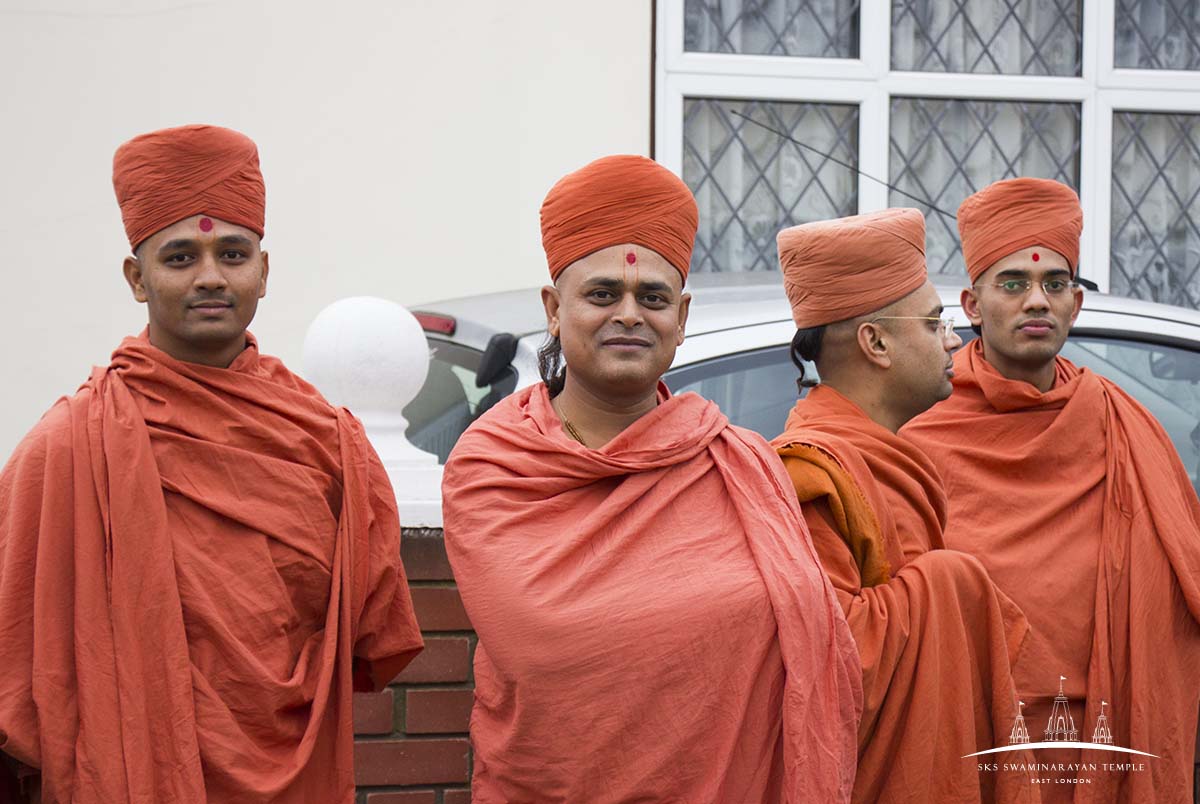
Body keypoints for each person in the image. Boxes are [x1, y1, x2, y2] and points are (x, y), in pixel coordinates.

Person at [0, 124, 423, 803]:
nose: (210, 277)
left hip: (299, 772)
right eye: (179, 257)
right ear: (137, 279)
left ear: (264, 270)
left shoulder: (325, 439)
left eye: (232, 253)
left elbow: (369, 633)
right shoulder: (70, 446)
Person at [441, 154, 862, 803]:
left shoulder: (741, 462)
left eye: (654, 298)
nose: (630, 314)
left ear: (682, 318)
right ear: (554, 309)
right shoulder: (496, 463)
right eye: (602, 294)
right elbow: (544, 641)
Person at [904, 177, 1200, 801]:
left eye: (1054, 284)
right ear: (973, 305)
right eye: (1013, 284)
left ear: (1076, 304)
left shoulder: (1122, 423)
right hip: (968, 743)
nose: (1036, 300)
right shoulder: (921, 429)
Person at [769, 209, 1036, 803]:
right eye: (935, 322)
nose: (954, 340)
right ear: (876, 342)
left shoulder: (881, 454)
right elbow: (831, 663)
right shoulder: (810, 474)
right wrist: (951, 585)